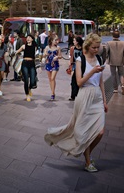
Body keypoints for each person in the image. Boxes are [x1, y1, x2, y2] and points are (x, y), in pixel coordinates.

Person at [45, 33, 107, 173]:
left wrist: (104, 100)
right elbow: (79, 83)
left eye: (98, 47)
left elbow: (101, 81)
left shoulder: (98, 58)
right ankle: (87, 161)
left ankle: (87, 153)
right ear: (88, 46)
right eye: (94, 47)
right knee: (84, 131)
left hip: (96, 96)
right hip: (84, 95)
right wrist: (92, 72)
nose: (97, 50)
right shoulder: (80, 60)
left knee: (100, 132)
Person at [14, 34, 37, 101]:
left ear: (32, 39)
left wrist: (39, 65)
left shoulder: (35, 47)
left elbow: (37, 56)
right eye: (27, 37)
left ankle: (29, 88)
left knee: (33, 81)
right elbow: (17, 52)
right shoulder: (24, 46)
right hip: (25, 63)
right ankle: (27, 95)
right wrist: (14, 54)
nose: (28, 38)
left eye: (30, 37)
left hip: (32, 64)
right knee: (26, 80)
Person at [104, 30, 124, 95]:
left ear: (112, 36)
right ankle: (123, 85)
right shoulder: (123, 43)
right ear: (119, 36)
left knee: (113, 74)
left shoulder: (109, 43)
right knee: (121, 74)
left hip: (112, 61)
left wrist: (107, 58)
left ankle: (115, 89)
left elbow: (106, 52)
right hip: (121, 60)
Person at [44, 32, 62, 100]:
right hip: (48, 64)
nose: (57, 41)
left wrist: (57, 57)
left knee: (52, 78)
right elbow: (44, 54)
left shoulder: (58, 48)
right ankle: (53, 92)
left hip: (55, 64)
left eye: (57, 40)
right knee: (50, 79)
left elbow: (60, 56)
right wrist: (45, 55)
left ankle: (52, 93)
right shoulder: (47, 47)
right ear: (51, 40)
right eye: (56, 40)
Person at [69, 36, 84, 101]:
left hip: (81, 65)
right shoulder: (72, 48)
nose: (73, 42)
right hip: (74, 65)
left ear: (77, 42)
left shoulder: (83, 48)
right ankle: (73, 95)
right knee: (73, 81)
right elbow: (71, 57)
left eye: (74, 40)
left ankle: (79, 94)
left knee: (79, 80)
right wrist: (70, 65)